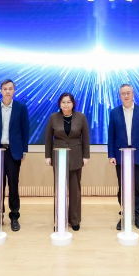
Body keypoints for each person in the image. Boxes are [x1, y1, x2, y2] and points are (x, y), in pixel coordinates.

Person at [0, 79, 30, 232]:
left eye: (10, 89)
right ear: (1, 91)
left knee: (13, 184)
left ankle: (14, 216)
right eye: (5, 89)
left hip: (14, 151)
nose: (7, 91)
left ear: (14, 91)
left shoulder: (21, 107)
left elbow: (25, 130)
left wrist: (24, 150)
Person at [107, 84, 139, 231]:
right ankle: (125, 215)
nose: (126, 96)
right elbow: (111, 135)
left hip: (137, 155)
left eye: (128, 93)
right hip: (120, 155)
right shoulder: (114, 112)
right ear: (120, 96)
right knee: (123, 187)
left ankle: (136, 216)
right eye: (123, 93)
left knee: (136, 187)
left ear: (133, 94)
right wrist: (111, 154)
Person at [44, 93, 90, 231]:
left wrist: (86, 156)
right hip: (58, 157)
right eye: (63, 102)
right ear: (59, 104)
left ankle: (74, 220)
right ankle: (59, 220)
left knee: (75, 191)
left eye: (68, 102)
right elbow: (48, 138)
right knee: (59, 190)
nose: (66, 104)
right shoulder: (53, 117)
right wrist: (48, 156)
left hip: (76, 157)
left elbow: (85, 138)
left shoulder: (81, 117)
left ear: (73, 103)